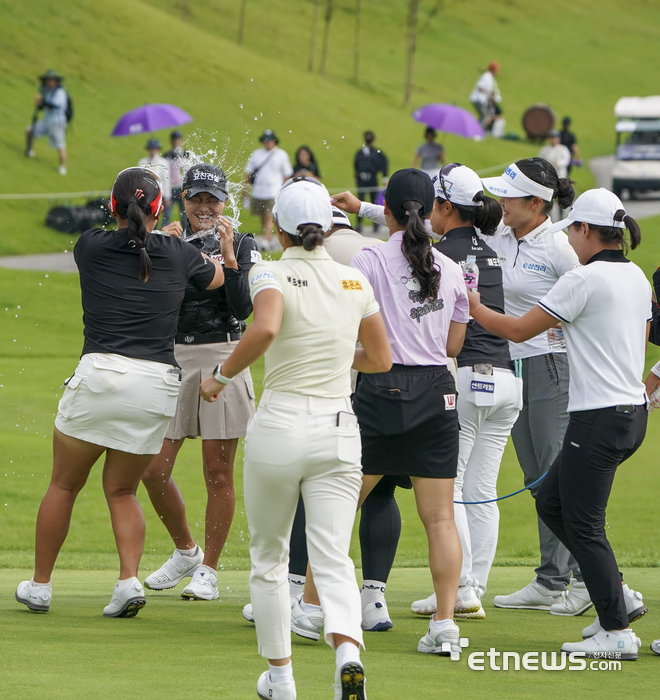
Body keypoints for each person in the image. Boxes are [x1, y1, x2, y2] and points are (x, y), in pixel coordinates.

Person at [199, 177, 392, 700]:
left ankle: (281, 678)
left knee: (269, 558)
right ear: (328, 229)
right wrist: (333, 352)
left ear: (280, 230)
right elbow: (380, 359)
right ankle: (348, 653)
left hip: (281, 425)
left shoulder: (270, 270)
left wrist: (218, 377)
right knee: (332, 556)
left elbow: (262, 329)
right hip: (338, 431)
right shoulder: (355, 282)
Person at [15, 167, 224, 618]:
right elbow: (217, 280)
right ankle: (128, 581)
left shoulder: (89, 245)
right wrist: (182, 243)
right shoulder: (177, 252)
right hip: (154, 385)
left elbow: (126, 242)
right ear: (159, 209)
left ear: (112, 206)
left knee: (64, 484)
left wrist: (161, 238)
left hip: (99, 374)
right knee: (122, 490)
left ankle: (40, 586)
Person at [468, 188, 651, 660]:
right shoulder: (634, 276)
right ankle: (618, 597)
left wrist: (471, 304)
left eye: (571, 228)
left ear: (586, 231)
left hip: (598, 418)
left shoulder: (584, 280)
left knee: (584, 524)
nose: (567, 236)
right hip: (630, 415)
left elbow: (514, 329)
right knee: (551, 501)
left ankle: (617, 630)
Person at [340, 168, 470, 656]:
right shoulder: (452, 269)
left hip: (382, 387)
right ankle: (444, 624)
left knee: (339, 505)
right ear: (434, 209)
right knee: (439, 519)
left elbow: (351, 328)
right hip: (438, 391)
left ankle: (315, 608)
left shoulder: (368, 259)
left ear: (387, 209)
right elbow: (454, 342)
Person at [141, 163, 260, 601]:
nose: (204, 207)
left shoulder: (243, 243)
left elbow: (243, 308)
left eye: (212, 199)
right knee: (152, 470)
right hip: (173, 358)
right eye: (196, 198)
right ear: (183, 200)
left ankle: (208, 569)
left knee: (217, 472)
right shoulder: (165, 241)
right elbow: (148, 296)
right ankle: (185, 550)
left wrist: (229, 258)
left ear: (225, 203)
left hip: (221, 355)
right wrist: (156, 252)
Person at [407, 164, 520, 620]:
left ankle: (462, 587)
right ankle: (473, 583)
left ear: (446, 206)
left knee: (448, 488)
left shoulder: (440, 256)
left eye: (433, 204)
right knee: (482, 488)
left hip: (468, 377)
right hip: (508, 380)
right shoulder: (494, 250)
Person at [477, 157, 589, 614]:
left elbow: (592, 294)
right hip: (511, 365)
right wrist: (365, 207)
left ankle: (580, 579)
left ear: (534, 203)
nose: (499, 201)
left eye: (508, 195)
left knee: (556, 474)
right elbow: (435, 220)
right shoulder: (499, 233)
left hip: (550, 365)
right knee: (536, 478)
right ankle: (551, 580)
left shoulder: (560, 250)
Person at [245, 129, 293, 251]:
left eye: (270, 140)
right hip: (258, 190)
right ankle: (269, 238)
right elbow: (249, 172)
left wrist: (285, 189)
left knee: (268, 215)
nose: (267, 143)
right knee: (262, 215)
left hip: (273, 190)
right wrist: (245, 188)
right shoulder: (257, 154)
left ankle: (266, 240)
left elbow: (287, 174)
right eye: (265, 140)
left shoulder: (281, 155)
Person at [25, 69, 69, 175]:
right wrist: (39, 103)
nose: (49, 82)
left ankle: (62, 166)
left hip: (57, 123)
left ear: (55, 81)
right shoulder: (46, 91)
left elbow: (55, 105)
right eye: (48, 80)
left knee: (60, 145)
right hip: (47, 120)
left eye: (52, 80)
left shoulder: (60, 92)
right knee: (29, 130)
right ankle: (30, 151)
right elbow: (43, 107)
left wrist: (43, 101)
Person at [354, 131, 388, 232]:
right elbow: (356, 165)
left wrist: (384, 176)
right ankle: (359, 223)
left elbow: (384, 164)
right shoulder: (360, 153)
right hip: (362, 179)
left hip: (372, 178)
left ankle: (375, 223)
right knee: (360, 199)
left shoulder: (377, 153)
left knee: (374, 200)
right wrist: (356, 176)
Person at [139, 138, 172, 217]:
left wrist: (167, 196)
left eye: (154, 148)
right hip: (148, 193)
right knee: (151, 215)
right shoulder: (142, 162)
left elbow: (166, 180)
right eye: (151, 148)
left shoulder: (163, 162)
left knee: (165, 216)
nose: (152, 150)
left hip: (161, 193)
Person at [469, 62, 502, 134]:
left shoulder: (489, 77)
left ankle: (474, 129)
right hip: (478, 99)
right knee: (485, 116)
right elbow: (480, 87)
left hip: (481, 100)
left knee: (484, 116)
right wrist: (489, 92)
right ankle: (477, 132)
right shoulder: (486, 76)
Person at [163, 130, 186, 225]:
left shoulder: (186, 155)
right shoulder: (167, 155)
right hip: (171, 187)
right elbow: (165, 174)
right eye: (174, 139)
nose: (176, 141)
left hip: (181, 188)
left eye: (177, 139)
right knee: (167, 214)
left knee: (185, 214)